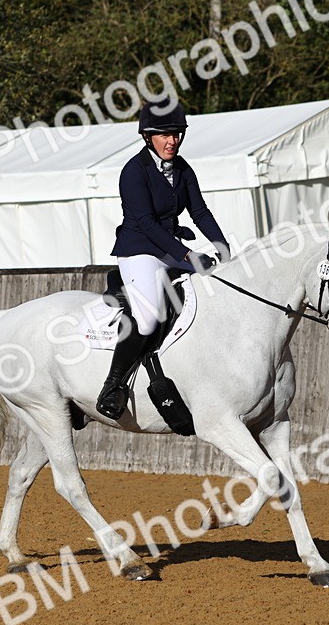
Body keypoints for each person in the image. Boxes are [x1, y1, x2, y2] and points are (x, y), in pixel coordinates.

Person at [95, 99, 231, 420]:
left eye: (178, 134)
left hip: (170, 249)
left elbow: (199, 211)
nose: (173, 142)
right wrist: (187, 255)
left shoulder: (183, 169)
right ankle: (113, 385)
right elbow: (146, 223)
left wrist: (222, 245)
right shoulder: (133, 172)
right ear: (147, 137)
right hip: (140, 251)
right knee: (148, 316)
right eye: (165, 135)